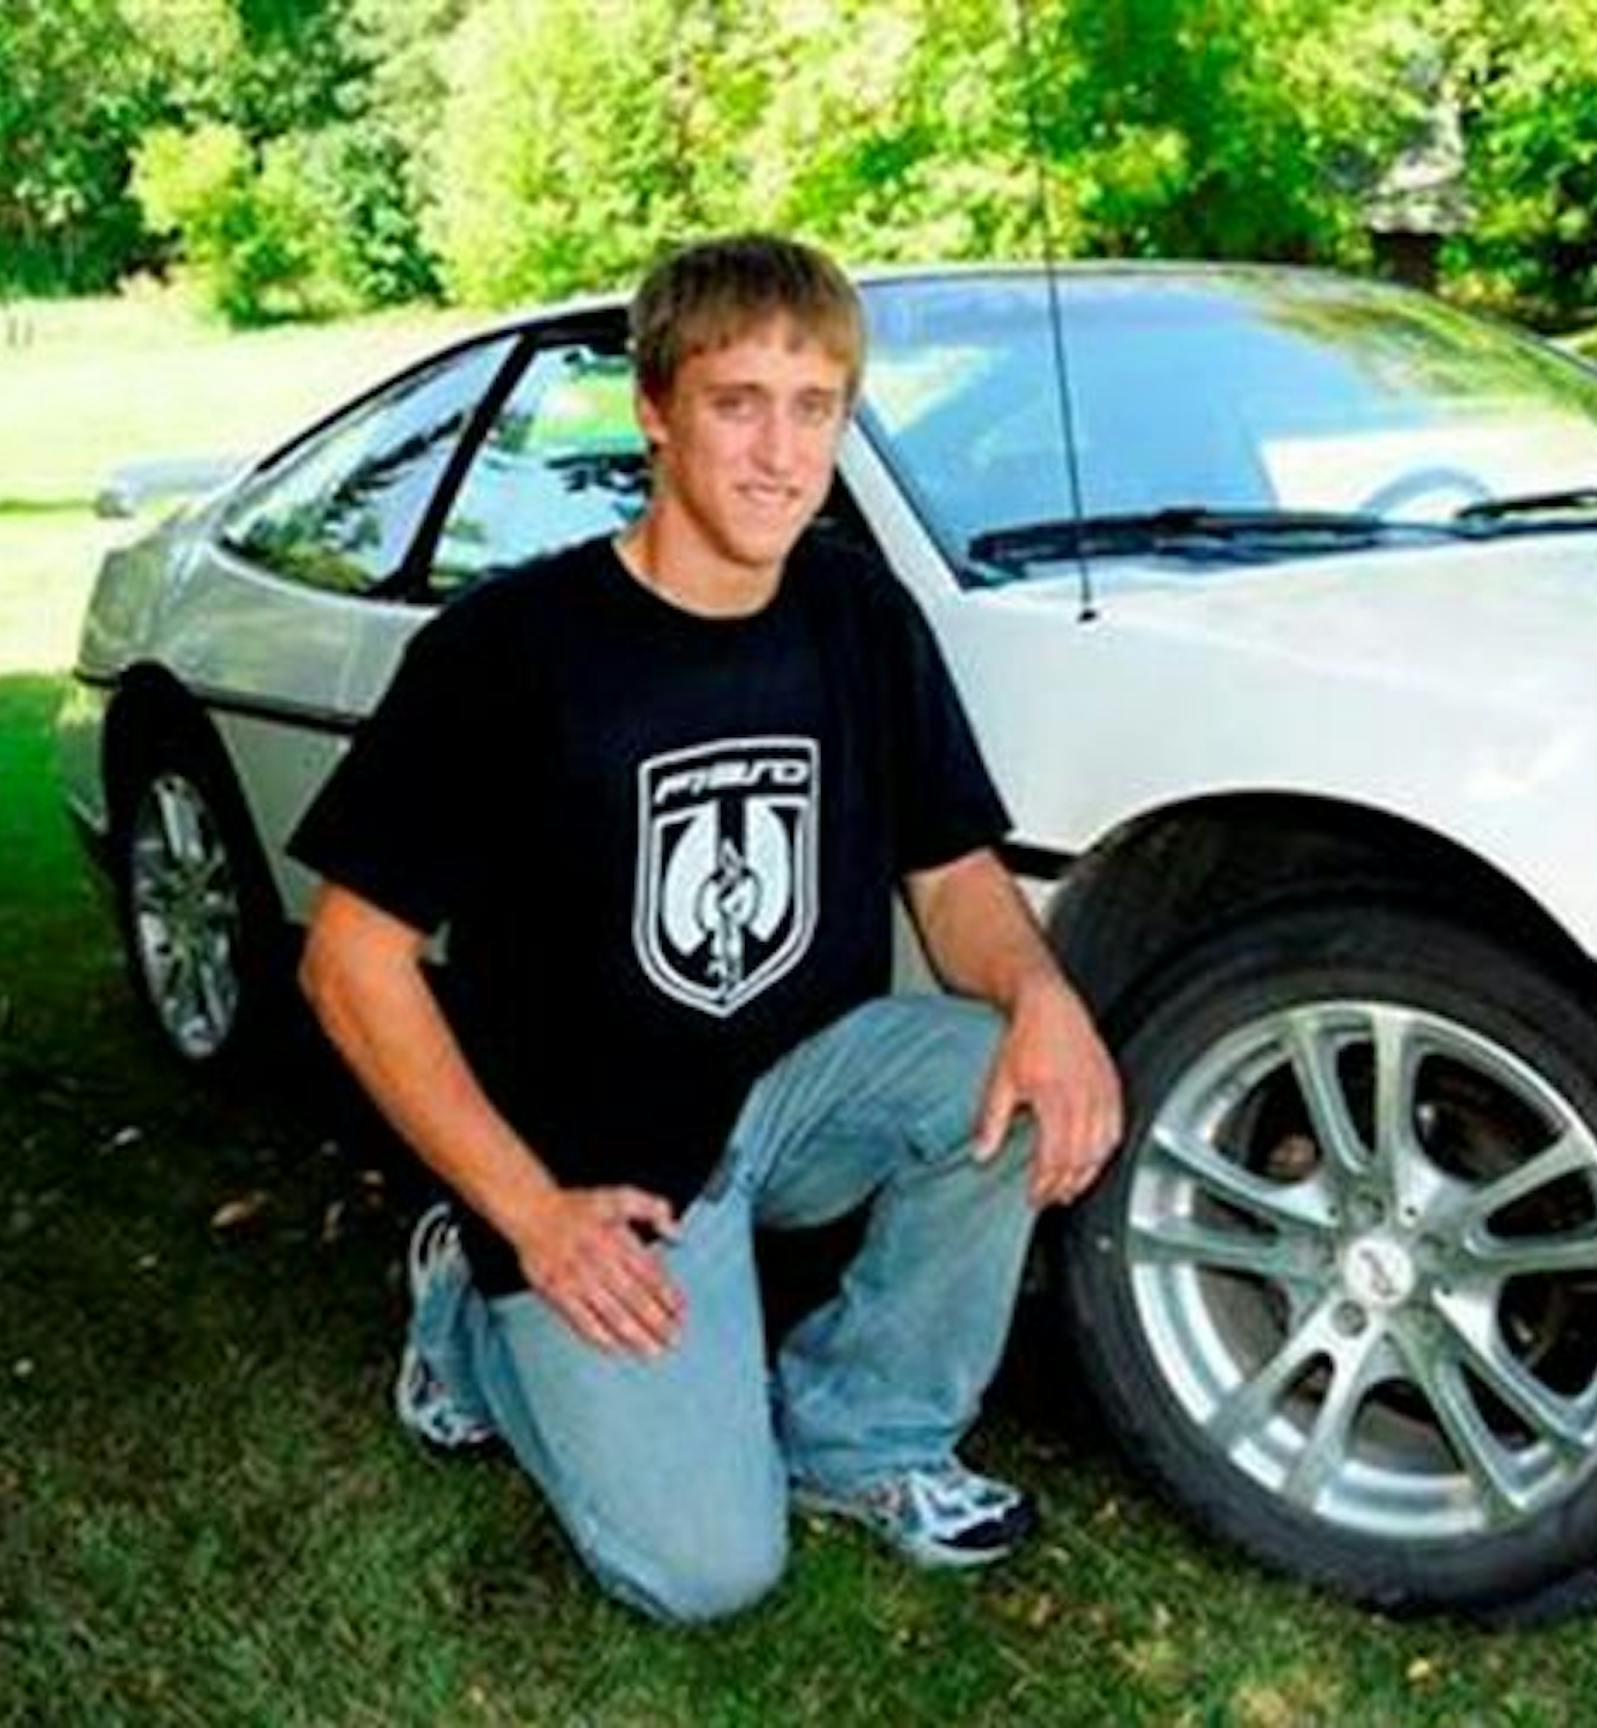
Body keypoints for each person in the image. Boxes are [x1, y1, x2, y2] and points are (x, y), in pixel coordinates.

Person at [288, 233, 1122, 1625]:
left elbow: (954, 872)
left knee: (1022, 1074)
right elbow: (348, 961)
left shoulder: (859, 612)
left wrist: (1045, 998)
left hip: (793, 1093)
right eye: (739, 403)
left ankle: (865, 1439)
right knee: (705, 1574)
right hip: (586, 1153)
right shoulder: (509, 652)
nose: (780, 454)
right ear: (655, 411)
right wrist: (531, 1218)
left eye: (817, 409)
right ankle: (474, 1307)